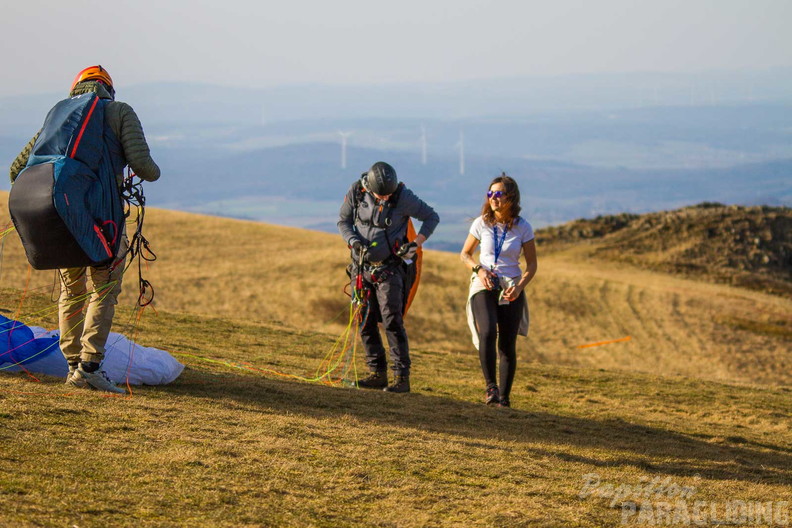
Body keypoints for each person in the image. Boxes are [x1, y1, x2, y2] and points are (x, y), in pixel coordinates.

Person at [9, 65, 160, 393]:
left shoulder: (58, 116)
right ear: (108, 89)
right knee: (103, 289)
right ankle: (90, 366)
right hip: (102, 220)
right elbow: (145, 167)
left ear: (75, 88)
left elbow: (17, 169)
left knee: (71, 290)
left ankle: (72, 364)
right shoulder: (119, 111)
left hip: (64, 218)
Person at [338, 161, 439, 393]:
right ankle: (377, 374)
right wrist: (353, 241)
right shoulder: (356, 191)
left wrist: (415, 243)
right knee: (364, 319)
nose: (383, 199)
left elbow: (431, 217)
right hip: (361, 268)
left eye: (387, 196)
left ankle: (401, 378)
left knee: (392, 321)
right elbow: (343, 221)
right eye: (379, 195)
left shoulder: (403, 196)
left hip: (390, 270)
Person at [460, 174, 537, 407]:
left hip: (511, 285)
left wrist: (519, 287)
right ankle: (490, 387)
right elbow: (465, 254)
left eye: (499, 194)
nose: (493, 198)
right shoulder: (481, 223)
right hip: (484, 283)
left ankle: (504, 398)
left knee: (507, 344)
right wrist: (479, 270)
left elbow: (532, 265)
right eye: (490, 193)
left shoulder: (524, 227)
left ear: (511, 197)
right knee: (487, 333)